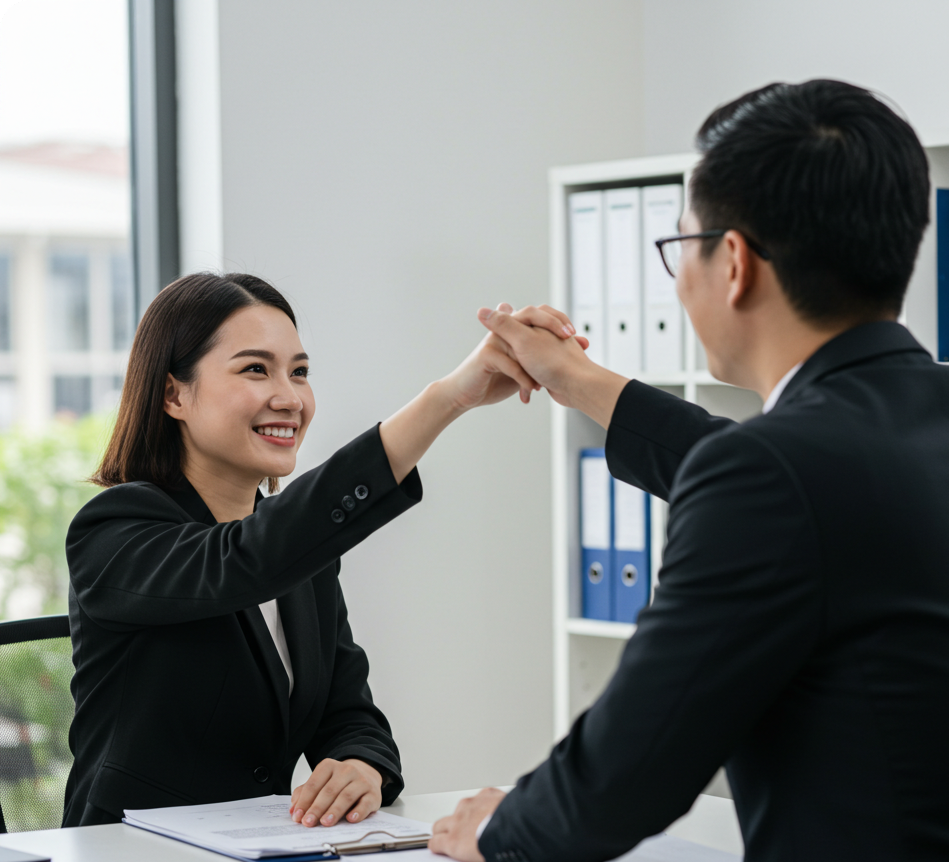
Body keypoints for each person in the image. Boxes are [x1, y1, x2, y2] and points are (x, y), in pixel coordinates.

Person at [430, 81, 949, 862]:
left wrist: (504, 825)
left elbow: (622, 780)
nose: (678, 281)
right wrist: (585, 383)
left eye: (681, 248)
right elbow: (803, 484)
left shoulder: (774, 474)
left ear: (734, 262)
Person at [62, 273, 574, 830]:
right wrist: (447, 398)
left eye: (300, 372)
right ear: (173, 395)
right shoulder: (115, 531)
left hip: (258, 858)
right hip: (127, 858)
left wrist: (361, 765)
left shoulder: (302, 555)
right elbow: (243, 561)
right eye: (255, 369)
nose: (290, 398)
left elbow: (350, 715)